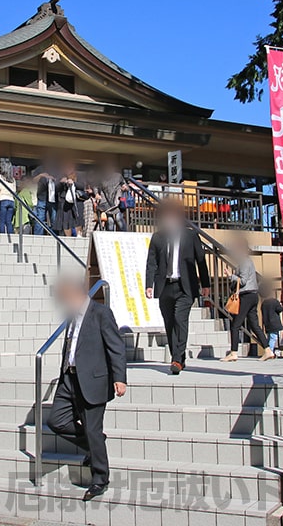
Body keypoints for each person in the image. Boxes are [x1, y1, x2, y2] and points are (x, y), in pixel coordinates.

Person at [46, 275, 127, 502]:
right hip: (69, 380)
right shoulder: (72, 316)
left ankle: (100, 478)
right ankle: (95, 443)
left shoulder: (101, 314)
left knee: (92, 429)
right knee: (56, 421)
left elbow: (116, 347)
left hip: (93, 381)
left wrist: (120, 378)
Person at [145, 198, 211, 375]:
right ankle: (179, 358)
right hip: (165, 286)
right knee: (169, 323)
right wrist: (149, 285)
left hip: (185, 286)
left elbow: (201, 261)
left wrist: (206, 284)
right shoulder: (158, 237)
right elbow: (152, 262)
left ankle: (176, 359)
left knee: (180, 320)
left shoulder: (190, 235)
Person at [221, 233, 275, 362]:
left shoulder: (244, 261)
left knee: (236, 324)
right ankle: (268, 350)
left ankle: (233, 352)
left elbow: (243, 281)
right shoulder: (247, 261)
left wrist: (231, 276)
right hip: (253, 295)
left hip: (246, 295)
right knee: (254, 324)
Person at [55, 164, 87, 237]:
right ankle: (68, 237)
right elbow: (56, 188)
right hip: (65, 203)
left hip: (77, 202)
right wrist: (61, 182)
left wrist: (74, 183)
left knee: (77, 219)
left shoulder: (79, 175)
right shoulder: (61, 176)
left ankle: (79, 235)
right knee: (66, 221)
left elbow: (82, 186)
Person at [97, 164, 128, 232]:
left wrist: (125, 188)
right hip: (106, 202)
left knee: (118, 218)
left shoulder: (118, 176)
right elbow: (97, 188)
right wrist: (97, 194)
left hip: (117, 200)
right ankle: (110, 236)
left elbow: (125, 185)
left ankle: (125, 234)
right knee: (110, 221)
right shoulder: (101, 179)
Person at [32, 163, 59, 235]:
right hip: (42, 197)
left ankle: (55, 237)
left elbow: (60, 182)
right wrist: (41, 175)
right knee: (40, 218)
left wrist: (55, 180)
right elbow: (33, 181)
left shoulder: (57, 170)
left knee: (54, 218)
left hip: (53, 198)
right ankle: (38, 237)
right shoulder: (40, 169)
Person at [261, 286, 283, 355]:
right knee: (273, 337)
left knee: (269, 337)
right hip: (275, 323)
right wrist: (281, 305)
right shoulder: (274, 301)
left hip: (267, 323)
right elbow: (279, 309)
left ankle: (269, 350)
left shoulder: (263, 304)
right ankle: (270, 351)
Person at [0, 158, 16, 234]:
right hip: (11, 201)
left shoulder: (0, 177)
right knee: (9, 221)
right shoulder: (13, 179)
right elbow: (14, 191)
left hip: (3, 199)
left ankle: (2, 237)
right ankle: (11, 235)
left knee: (2, 221)